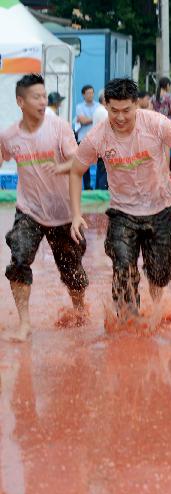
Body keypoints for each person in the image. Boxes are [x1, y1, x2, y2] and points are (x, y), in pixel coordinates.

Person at [69, 78, 171, 320]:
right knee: (122, 267)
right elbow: (76, 171)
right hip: (122, 213)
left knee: (159, 271)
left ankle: (157, 307)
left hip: (160, 208)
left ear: (136, 105)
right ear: (106, 106)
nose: (120, 117)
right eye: (114, 111)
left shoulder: (156, 124)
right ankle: (127, 321)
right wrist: (76, 214)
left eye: (126, 111)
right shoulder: (97, 136)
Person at [0, 74, 88, 341]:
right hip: (29, 211)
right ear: (20, 101)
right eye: (36, 97)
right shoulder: (10, 135)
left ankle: (80, 310)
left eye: (43, 96)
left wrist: (76, 215)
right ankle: (24, 323)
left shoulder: (59, 127)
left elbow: (78, 164)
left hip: (62, 213)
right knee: (19, 259)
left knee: (72, 273)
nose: (42, 101)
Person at [76, 85, 97, 188]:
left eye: (92, 93)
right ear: (83, 95)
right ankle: (88, 187)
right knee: (85, 165)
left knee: (101, 163)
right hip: (83, 139)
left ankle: (99, 186)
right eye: (88, 93)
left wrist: (87, 119)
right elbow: (82, 121)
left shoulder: (98, 106)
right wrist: (95, 118)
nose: (91, 95)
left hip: (96, 139)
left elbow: (85, 120)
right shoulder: (79, 107)